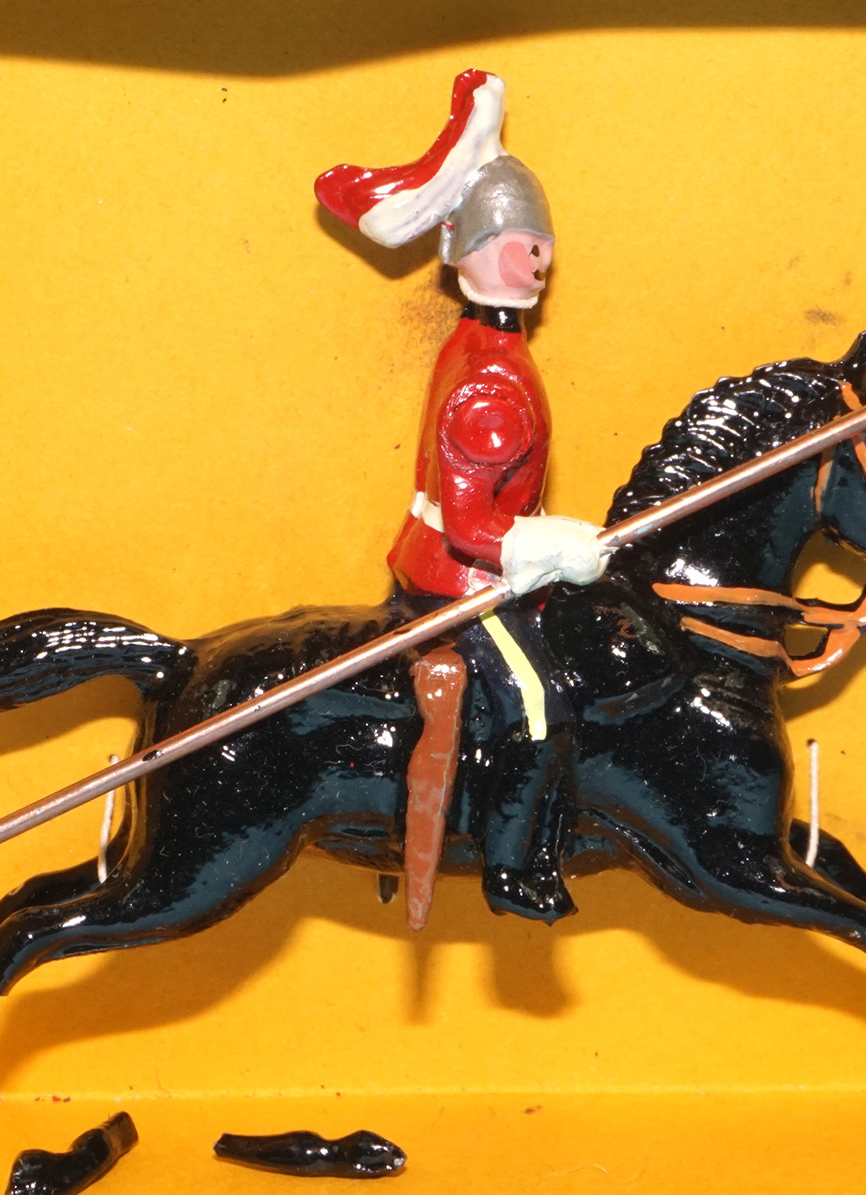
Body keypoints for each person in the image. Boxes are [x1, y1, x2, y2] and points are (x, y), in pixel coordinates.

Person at [315, 69, 608, 929]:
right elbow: (478, 526)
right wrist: (556, 544)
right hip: (461, 583)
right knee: (542, 708)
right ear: (467, 251)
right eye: (519, 242)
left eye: (542, 243)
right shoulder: (490, 383)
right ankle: (513, 870)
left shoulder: (484, 343)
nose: (538, 261)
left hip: (459, 564)